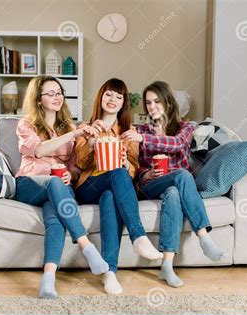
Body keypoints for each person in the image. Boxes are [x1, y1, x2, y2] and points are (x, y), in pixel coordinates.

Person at [121, 80, 224, 287]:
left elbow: (176, 144)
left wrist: (142, 138)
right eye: (148, 102)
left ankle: (167, 265)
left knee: (174, 192)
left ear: (168, 102)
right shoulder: (142, 130)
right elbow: (137, 168)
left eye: (157, 101)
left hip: (173, 186)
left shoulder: (185, 128)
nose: (152, 106)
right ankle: (203, 236)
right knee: (184, 176)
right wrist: (146, 174)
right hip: (151, 186)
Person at [15, 75, 108, 299]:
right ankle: (87, 246)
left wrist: (70, 175)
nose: (57, 97)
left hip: (56, 189)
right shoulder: (26, 125)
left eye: (59, 92)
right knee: (54, 182)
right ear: (38, 99)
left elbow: (75, 167)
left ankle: (48, 279)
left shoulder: (67, 126)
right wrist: (75, 133)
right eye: (51, 93)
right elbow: (38, 150)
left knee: (54, 215)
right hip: (29, 184)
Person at [75, 78, 163, 295]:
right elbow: (79, 163)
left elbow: (133, 169)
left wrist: (124, 160)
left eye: (119, 96)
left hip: (111, 187)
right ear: (100, 97)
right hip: (88, 186)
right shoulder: (85, 128)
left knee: (110, 196)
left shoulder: (128, 132)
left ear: (124, 103)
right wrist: (91, 143)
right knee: (116, 175)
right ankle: (138, 236)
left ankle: (109, 273)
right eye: (109, 94)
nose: (113, 99)